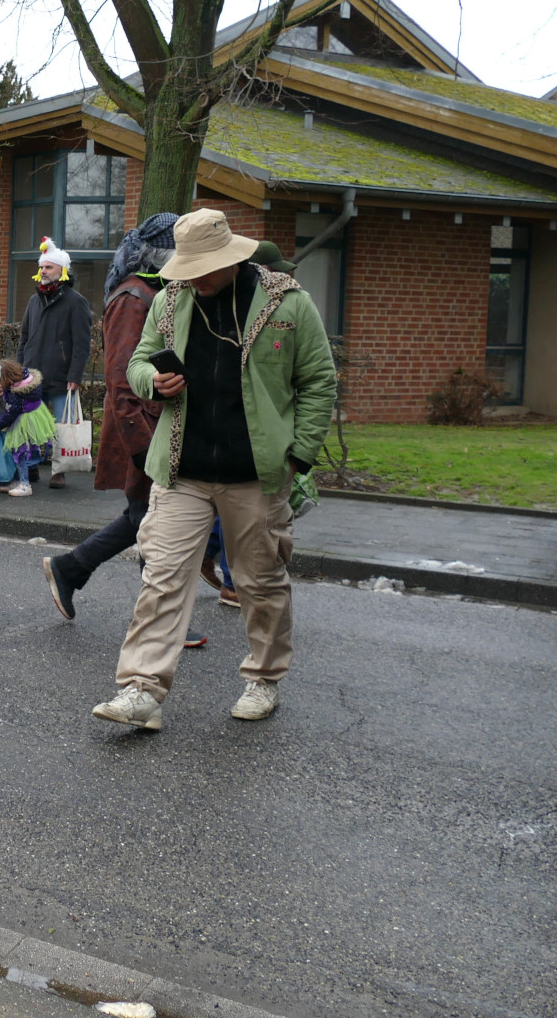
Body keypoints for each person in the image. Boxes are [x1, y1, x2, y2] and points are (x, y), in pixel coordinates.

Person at [92, 208, 335, 731]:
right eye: (187, 267)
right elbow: (138, 362)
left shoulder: (288, 303)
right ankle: (142, 690)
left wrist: (299, 455)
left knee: (260, 582)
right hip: (182, 469)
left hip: (256, 474)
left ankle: (264, 679)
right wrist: (152, 382)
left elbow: (319, 380)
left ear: (230, 259)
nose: (193, 277)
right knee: (162, 578)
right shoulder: (169, 299)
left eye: (203, 267)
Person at [39, 213, 206, 645]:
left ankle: (72, 570)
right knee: (153, 520)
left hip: (156, 426)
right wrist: (141, 445)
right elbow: (119, 377)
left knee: (145, 518)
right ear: (161, 252)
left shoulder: (156, 291)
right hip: (144, 430)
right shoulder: (134, 297)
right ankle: (158, 617)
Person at [16, 238, 94, 489]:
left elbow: (81, 344)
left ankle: (59, 471)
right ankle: (31, 467)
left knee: (63, 428)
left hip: (62, 379)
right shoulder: (34, 301)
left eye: (49, 267)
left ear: (62, 270)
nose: (44, 271)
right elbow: (24, 338)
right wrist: (19, 371)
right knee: (29, 424)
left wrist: (75, 375)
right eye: (42, 267)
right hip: (32, 378)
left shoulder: (76, 302)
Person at [0, 359, 56, 498]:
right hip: (34, 417)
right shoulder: (26, 382)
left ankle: (24, 484)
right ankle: (17, 481)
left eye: (0, 382)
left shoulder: (16, 395)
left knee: (19, 452)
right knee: (20, 452)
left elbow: (9, 415)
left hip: (22, 422)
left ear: (5, 378)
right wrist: (5, 390)